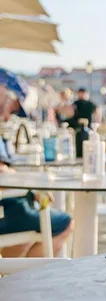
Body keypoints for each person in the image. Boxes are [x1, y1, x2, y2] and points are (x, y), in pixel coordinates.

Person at [0, 69, 74, 257]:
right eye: (13, 108)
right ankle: (19, 280)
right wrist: (32, 188)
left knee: (34, 223)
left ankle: (11, 277)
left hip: (9, 204)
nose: (10, 116)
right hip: (7, 208)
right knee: (65, 222)